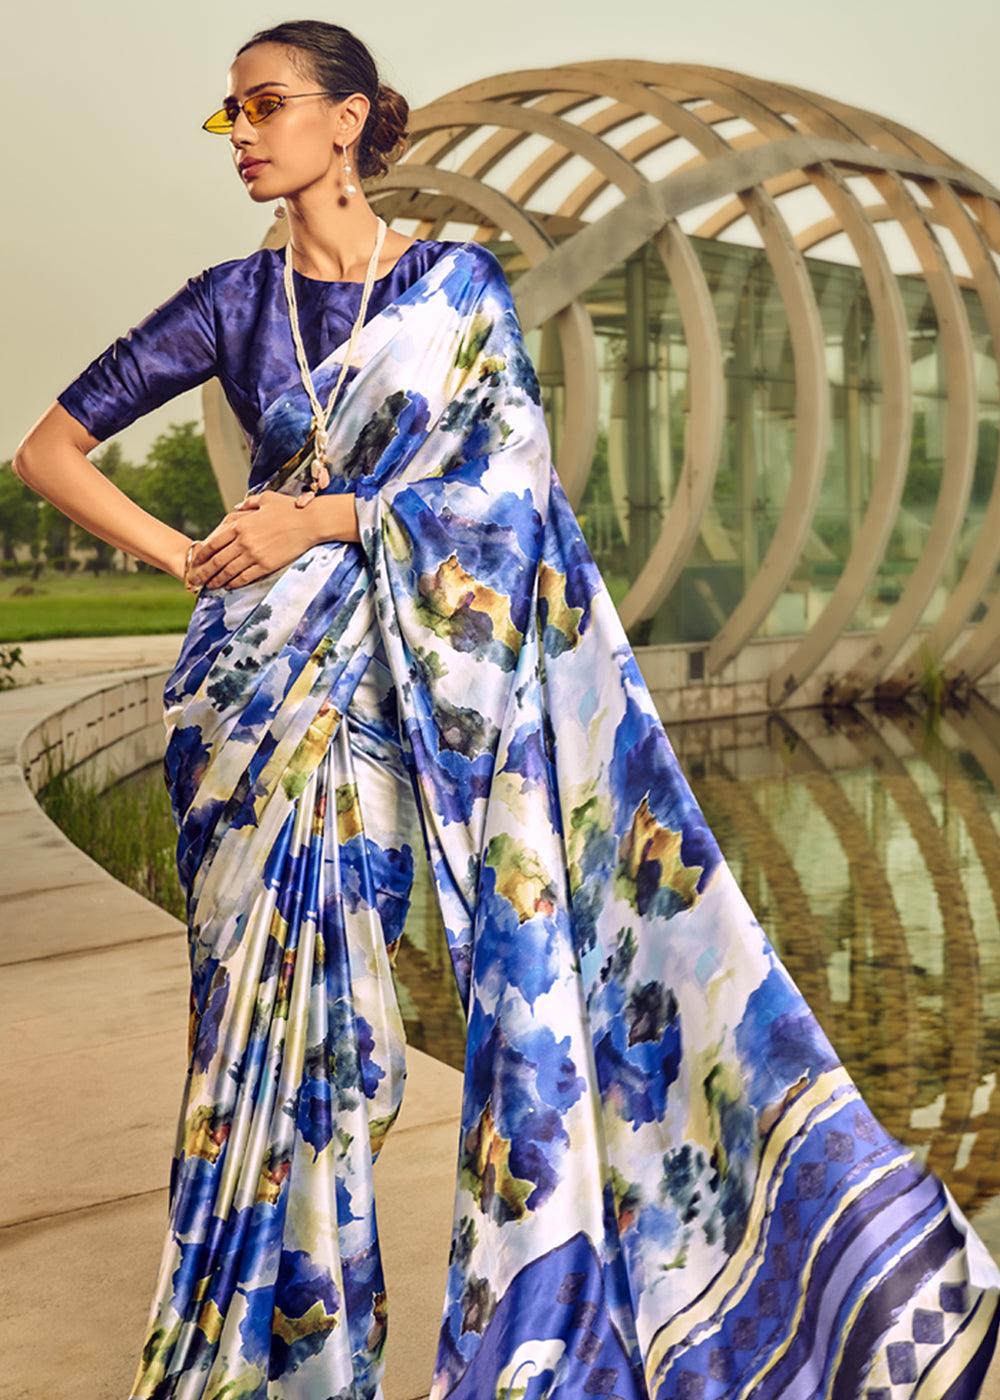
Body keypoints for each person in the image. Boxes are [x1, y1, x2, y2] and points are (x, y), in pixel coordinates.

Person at [14, 19, 1000, 1400]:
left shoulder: (456, 289)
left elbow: (513, 495)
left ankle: (338, 1353)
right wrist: (191, 558)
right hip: (247, 707)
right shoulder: (227, 303)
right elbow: (48, 448)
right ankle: (248, 1360)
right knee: (245, 1043)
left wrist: (330, 517)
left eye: (267, 105)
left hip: (370, 698)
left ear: (348, 118)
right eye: (228, 114)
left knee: (350, 1041)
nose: (241, 134)